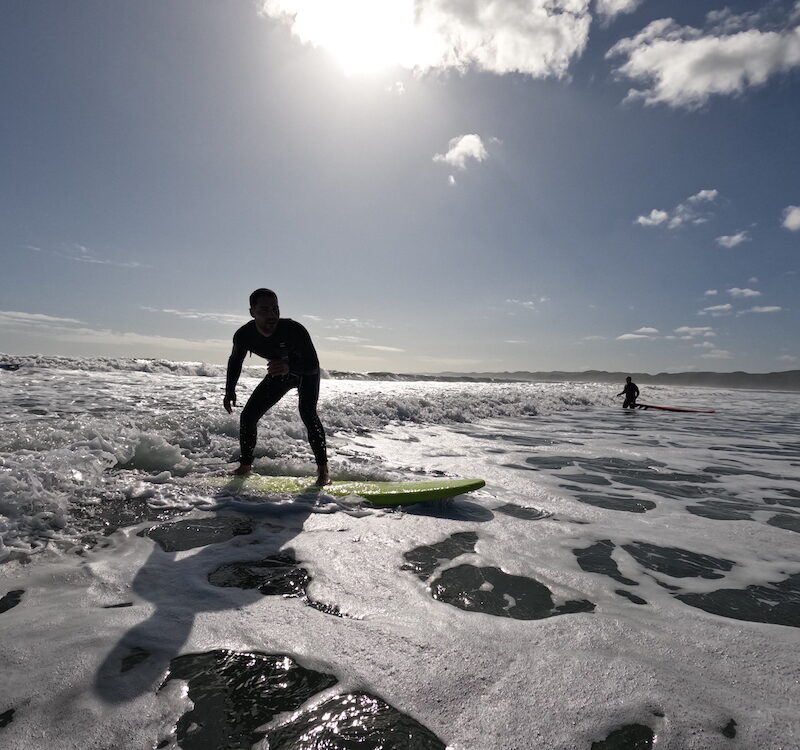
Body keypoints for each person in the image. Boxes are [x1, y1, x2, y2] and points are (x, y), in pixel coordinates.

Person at [224, 288, 329, 485]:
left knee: (307, 412)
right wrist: (230, 390)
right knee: (248, 416)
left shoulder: (294, 329)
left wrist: (289, 366)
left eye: (275, 309)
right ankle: (245, 465)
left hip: (305, 373)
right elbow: (235, 360)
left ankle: (323, 471)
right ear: (252, 312)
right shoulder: (244, 335)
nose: (272, 315)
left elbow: (313, 365)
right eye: (264, 310)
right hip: (280, 373)